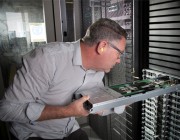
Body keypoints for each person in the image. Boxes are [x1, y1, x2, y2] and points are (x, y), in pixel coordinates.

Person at [0, 18, 127, 140]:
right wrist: (66, 111)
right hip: (34, 134)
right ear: (102, 46)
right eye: (119, 53)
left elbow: (97, 107)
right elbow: (6, 110)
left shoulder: (99, 69)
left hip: (69, 129)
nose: (118, 60)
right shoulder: (47, 59)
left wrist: (122, 100)